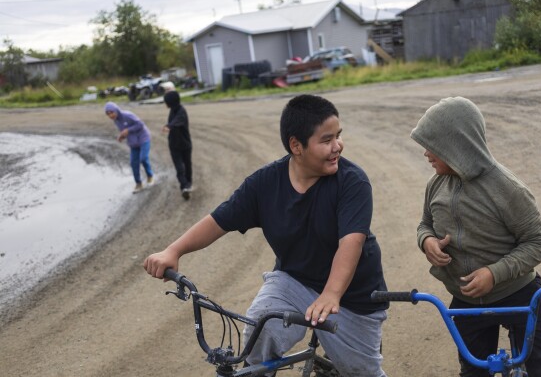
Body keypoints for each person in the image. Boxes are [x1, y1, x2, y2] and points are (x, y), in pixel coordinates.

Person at [144, 94, 388, 377]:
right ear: (296, 145)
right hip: (294, 281)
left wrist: (332, 294)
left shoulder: (352, 182)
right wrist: (173, 251)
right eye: (326, 140)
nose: (337, 147)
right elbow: (219, 220)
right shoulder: (264, 183)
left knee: (361, 371)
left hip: (351, 295)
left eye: (338, 136)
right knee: (260, 330)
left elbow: (352, 242)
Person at [410, 96, 541, 377]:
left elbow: (537, 243)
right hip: (467, 301)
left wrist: (494, 274)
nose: (426, 153)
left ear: (456, 145)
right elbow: (424, 223)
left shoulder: (508, 189)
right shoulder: (436, 185)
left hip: (519, 293)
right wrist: (427, 241)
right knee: (473, 372)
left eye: (432, 145)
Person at [105, 101, 154, 194]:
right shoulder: (116, 121)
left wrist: (128, 130)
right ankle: (138, 184)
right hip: (133, 143)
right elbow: (124, 131)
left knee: (143, 158)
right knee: (133, 163)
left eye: (112, 112)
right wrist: (121, 136)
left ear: (116, 110)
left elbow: (140, 124)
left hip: (143, 138)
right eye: (108, 114)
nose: (111, 115)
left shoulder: (127, 115)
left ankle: (150, 176)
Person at [162, 91, 193, 200]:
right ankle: (184, 187)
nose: (165, 104)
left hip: (185, 144)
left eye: (166, 102)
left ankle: (188, 184)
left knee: (187, 165)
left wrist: (169, 126)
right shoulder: (172, 110)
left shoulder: (181, 111)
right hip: (174, 145)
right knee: (180, 168)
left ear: (171, 102)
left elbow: (177, 121)